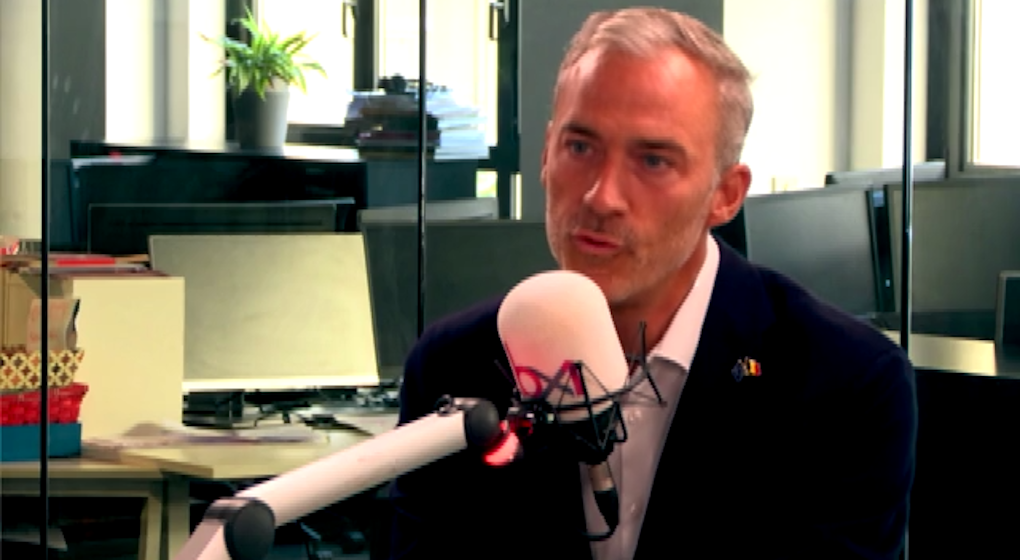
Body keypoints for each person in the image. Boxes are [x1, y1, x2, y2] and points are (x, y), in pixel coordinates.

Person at [386, 7, 917, 560]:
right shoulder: (454, 366)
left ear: (726, 195)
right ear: (545, 154)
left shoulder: (846, 384)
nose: (601, 197)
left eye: (654, 161)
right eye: (580, 147)